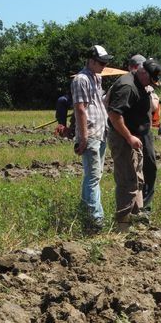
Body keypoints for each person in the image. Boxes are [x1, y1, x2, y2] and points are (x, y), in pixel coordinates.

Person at [106, 58, 161, 230]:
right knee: (127, 182)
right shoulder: (128, 86)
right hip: (124, 139)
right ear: (143, 72)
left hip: (134, 138)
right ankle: (123, 226)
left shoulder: (140, 83)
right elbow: (115, 115)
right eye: (150, 81)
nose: (150, 85)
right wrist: (129, 137)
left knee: (138, 180)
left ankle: (137, 220)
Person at [72, 45, 112, 231]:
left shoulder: (96, 78)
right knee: (93, 178)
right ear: (91, 60)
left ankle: (85, 215)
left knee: (93, 177)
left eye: (106, 62)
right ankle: (97, 222)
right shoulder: (81, 79)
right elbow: (80, 109)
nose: (105, 65)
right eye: (102, 62)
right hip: (91, 134)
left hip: (100, 132)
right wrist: (84, 137)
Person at [128, 54, 159, 211]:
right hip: (132, 133)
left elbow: (154, 106)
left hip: (145, 132)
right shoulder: (127, 84)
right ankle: (136, 209)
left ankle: (145, 205)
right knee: (135, 172)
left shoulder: (148, 87)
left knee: (150, 166)